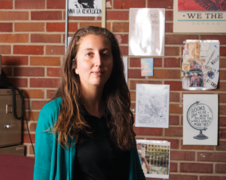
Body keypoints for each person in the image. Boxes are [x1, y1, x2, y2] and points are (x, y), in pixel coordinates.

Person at [34, 26, 145, 180]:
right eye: (89, 54)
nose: (98, 61)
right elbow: (42, 174)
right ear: (75, 65)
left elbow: (136, 172)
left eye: (105, 54)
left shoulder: (120, 112)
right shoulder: (53, 114)